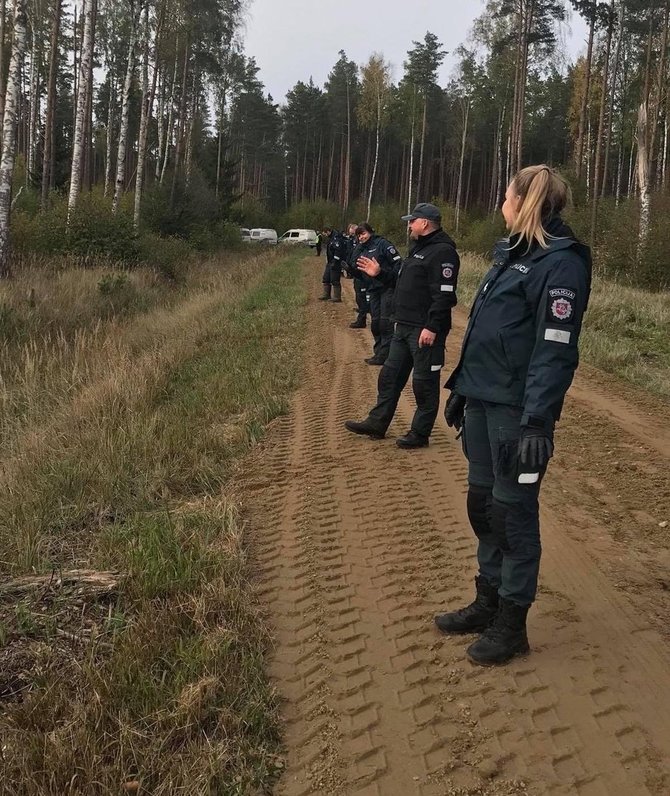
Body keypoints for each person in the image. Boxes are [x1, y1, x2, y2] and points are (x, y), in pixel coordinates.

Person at [435, 165, 592, 666]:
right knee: (483, 507)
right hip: (482, 399)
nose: (499, 200)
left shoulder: (560, 265)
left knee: (511, 515)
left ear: (524, 201)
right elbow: (483, 326)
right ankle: (487, 600)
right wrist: (462, 384)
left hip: (515, 409)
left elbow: (555, 350)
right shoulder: (509, 254)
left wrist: (537, 421)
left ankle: (512, 621)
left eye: (505, 193)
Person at [344, 203, 460, 448]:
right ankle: (377, 422)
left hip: (424, 330)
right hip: (404, 326)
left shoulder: (443, 252)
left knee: (423, 383)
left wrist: (432, 327)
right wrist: (380, 273)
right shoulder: (417, 248)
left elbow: (445, 295)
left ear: (425, 223)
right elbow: (399, 281)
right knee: (389, 376)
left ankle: (420, 434)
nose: (408, 225)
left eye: (412, 221)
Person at [350, 223, 401, 349]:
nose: (361, 237)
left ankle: (386, 354)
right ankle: (379, 352)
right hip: (372, 289)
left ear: (371, 232)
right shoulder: (363, 248)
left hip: (387, 288)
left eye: (363, 234)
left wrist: (385, 275)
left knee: (385, 323)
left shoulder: (382, 244)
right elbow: (355, 264)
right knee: (375, 323)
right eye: (358, 235)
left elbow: (398, 264)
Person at [319, 226, 347, 302]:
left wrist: (335, 262)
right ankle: (326, 294)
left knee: (334, 279)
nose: (324, 235)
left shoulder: (336, 238)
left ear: (327, 231)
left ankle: (337, 297)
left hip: (335, 263)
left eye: (324, 233)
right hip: (329, 262)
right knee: (326, 278)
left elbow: (338, 251)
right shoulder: (331, 238)